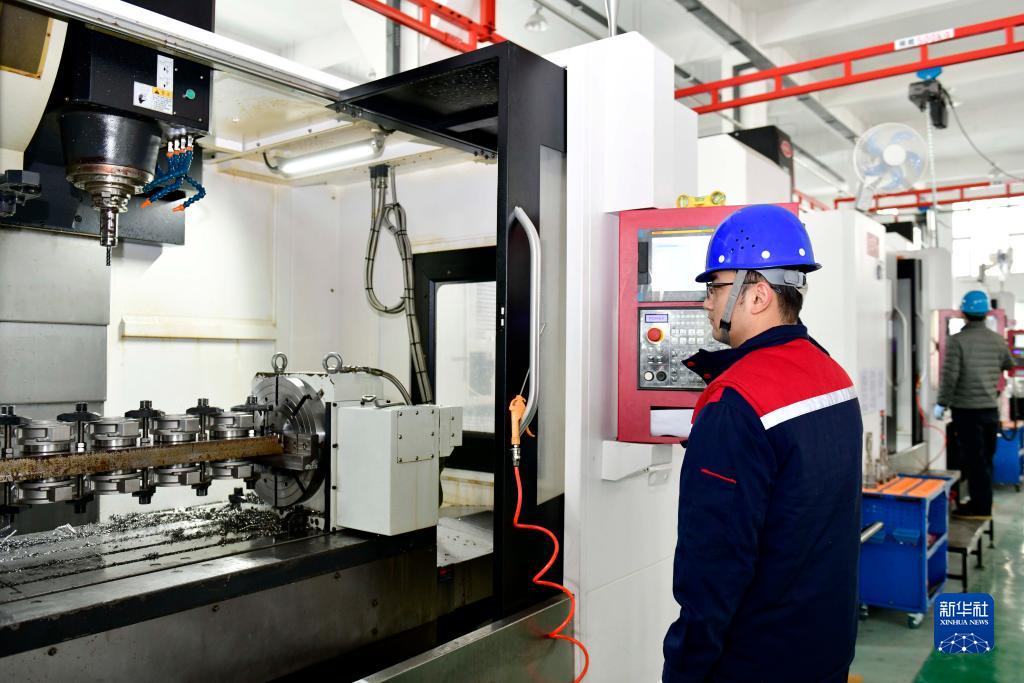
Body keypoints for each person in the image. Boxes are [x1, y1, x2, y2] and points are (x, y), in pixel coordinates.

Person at [663, 205, 863, 683]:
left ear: (755, 295)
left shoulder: (736, 401)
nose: (706, 303)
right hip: (826, 647)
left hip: (757, 662)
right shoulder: (832, 375)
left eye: (714, 288)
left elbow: (713, 567)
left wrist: (685, 670)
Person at [934, 291, 1015, 519]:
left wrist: (942, 403)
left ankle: (979, 508)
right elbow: (1009, 364)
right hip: (990, 410)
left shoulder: (957, 341)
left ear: (963, 312)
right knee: (985, 460)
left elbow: (950, 377)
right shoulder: (997, 340)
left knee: (973, 460)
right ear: (986, 312)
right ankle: (982, 503)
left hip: (966, 411)